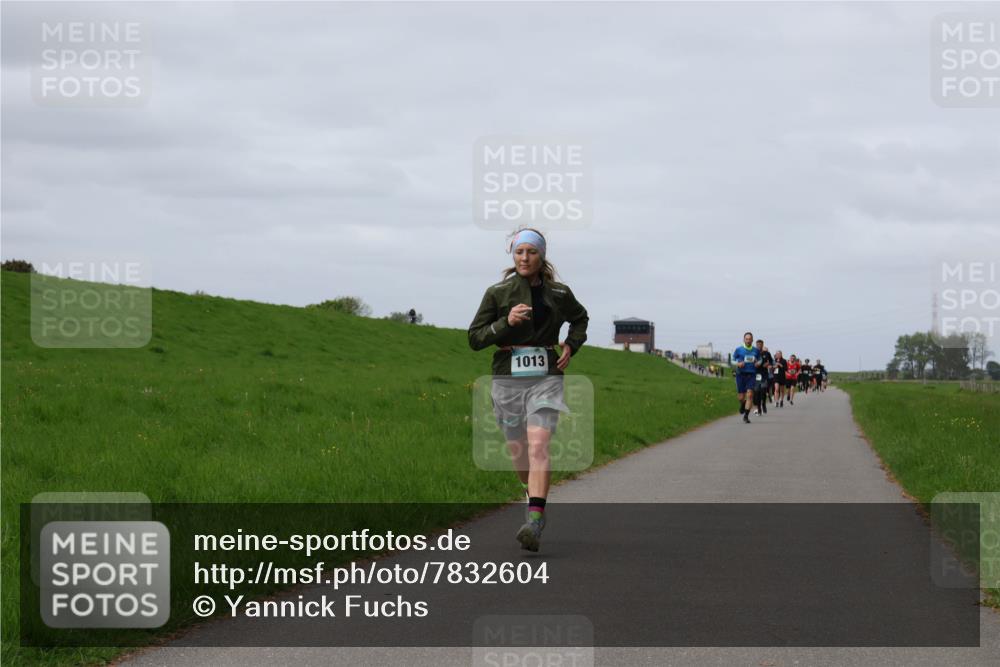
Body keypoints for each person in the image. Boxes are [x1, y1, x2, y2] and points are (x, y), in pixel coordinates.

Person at [468, 228, 589, 552]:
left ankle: (535, 520)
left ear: (541, 255)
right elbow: (475, 338)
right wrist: (505, 322)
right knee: (519, 450)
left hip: (546, 376)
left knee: (538, 445)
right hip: (507, 378)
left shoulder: (559, 293)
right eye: (519, 252)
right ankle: (531, 492)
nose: (525, 258)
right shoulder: (497, 293)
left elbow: (580, 319)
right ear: (513, 255)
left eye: (531, 252)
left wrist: (571, 344)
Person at [732, 331, 759, 423]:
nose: (748, 341)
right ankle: (743, 404)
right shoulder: (738, 349)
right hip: (740, 374)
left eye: (749, 339)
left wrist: (757, 363)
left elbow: (760, 360)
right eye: (746, 339)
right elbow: (732, 360)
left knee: (750, 394)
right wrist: (738, 363)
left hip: (751, 374)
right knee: (741, 397)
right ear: (744, 339)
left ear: (752, 340)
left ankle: (746, 416)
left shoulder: (756, 350)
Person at [753, 340, 773, 416]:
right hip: (756, 375)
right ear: (756, 345)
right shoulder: (753, 353)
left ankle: (763, 403)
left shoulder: (766, 353)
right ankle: (759, 408)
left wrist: (768, 364)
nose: (759, 346)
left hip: (764, 374)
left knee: (763, 390)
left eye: (760, 344)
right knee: (757, 392)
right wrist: (754, 364)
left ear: (762, 345)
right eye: (757, 344)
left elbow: (771, 361)